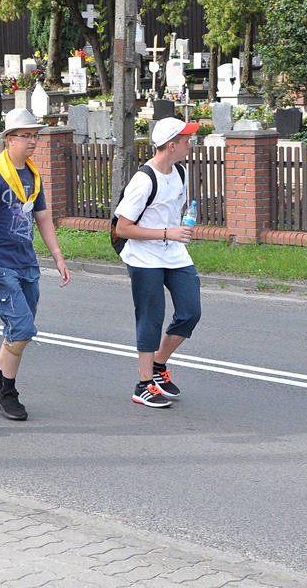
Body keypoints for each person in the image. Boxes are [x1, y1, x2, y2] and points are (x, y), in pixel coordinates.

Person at [0, 108, 71, 421]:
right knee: (22, 328)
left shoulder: (32, 173)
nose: (33, 141)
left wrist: (57, 255)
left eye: (35, 135)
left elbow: (42, 217)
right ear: (9, 139)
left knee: (16, 331)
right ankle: (7, 393)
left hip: (27, 265)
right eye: (26, 135)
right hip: (1, 266)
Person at [112, 117, 202, 408]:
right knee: (151, 317)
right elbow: (121, 228)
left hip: (173, 253)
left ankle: (158, 366)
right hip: (144, 256)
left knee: (190, 311)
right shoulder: (143, 181)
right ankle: (143, 384)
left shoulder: (180, 173)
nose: (191, 145)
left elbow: (173, 210)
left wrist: (181, 226)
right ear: (172, 145)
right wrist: (167, 232)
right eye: (186, 140)